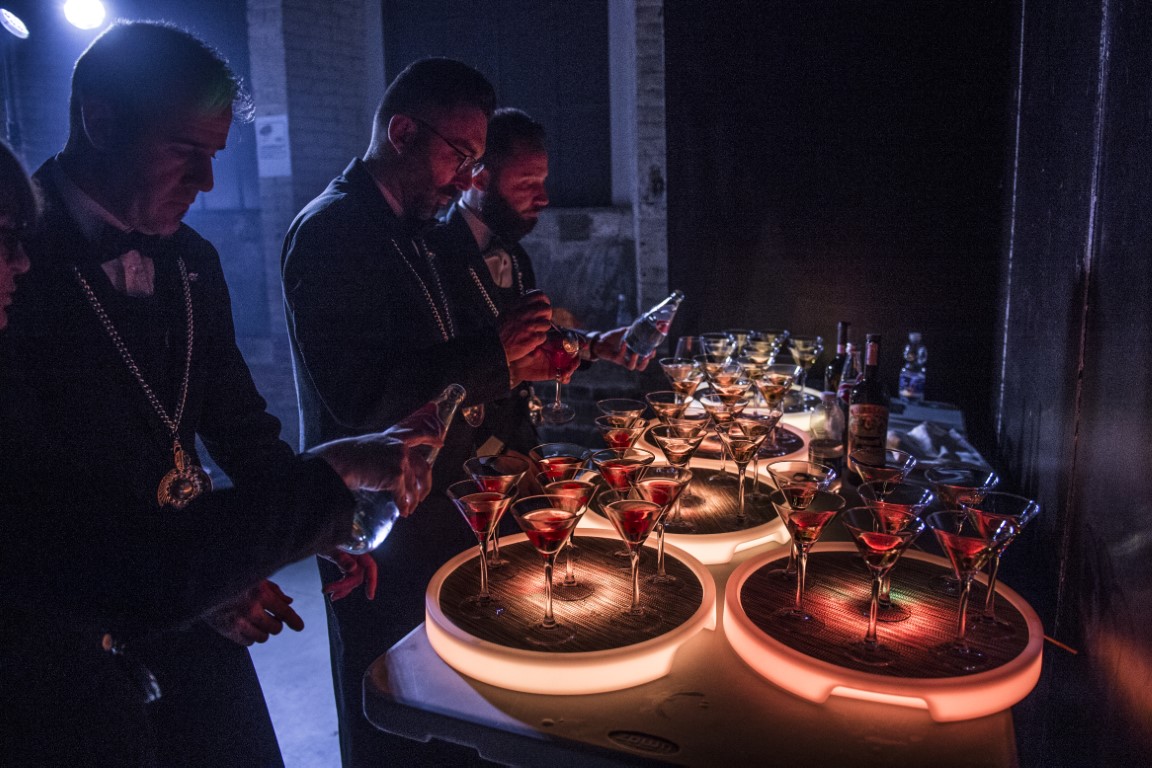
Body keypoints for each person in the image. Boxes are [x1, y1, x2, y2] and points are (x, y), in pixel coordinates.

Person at [0, 23, 430, 767]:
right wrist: (229, 552)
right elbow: (45, 506)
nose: (205, 181)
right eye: (185, 151)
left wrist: (319, 524)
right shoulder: (19, 260)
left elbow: (238, 421)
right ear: (100, 120)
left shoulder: (193, 259)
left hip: (205, 600)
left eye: (215, 156)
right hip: (81, 633)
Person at [282, 59, 567, 766]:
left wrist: (510, 365)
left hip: (434, 507)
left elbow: (441, 359)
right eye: (459, 156)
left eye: (475, 162)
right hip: (370, 521)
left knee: (449, 714)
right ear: (403, 132)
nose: (466, 179)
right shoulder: (332, 230)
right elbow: (361, 398)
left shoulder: (415, 226)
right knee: (389, 711)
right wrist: (494, 354)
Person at [429, 107, 651, 455]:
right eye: (527, 183)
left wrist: (595, 345)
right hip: (461, 461)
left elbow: (533, 338)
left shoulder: (515, 252)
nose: (544, 197)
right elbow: (434, 374)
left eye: (543, 182)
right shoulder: (433, 255)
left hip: (520, 447)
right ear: (479, 180)